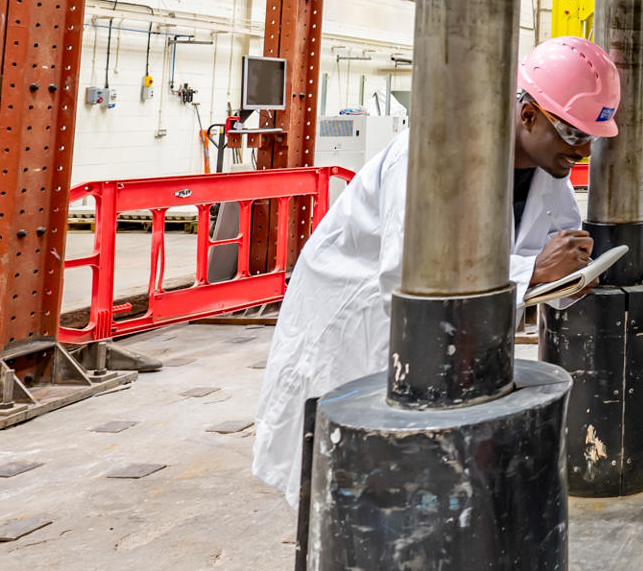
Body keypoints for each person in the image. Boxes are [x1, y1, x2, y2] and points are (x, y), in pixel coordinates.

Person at [251, 36, 622, 502]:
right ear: (528, 115)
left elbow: (547, 259)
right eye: (573, 134)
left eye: (591, 137)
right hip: (359, 325)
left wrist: (570, 278)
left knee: (420, 485)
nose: (583, 150)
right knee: (346, 487)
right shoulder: (430, 154)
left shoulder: (548, 176)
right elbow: (410, 273)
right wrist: (532, 272)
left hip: (454, 343)